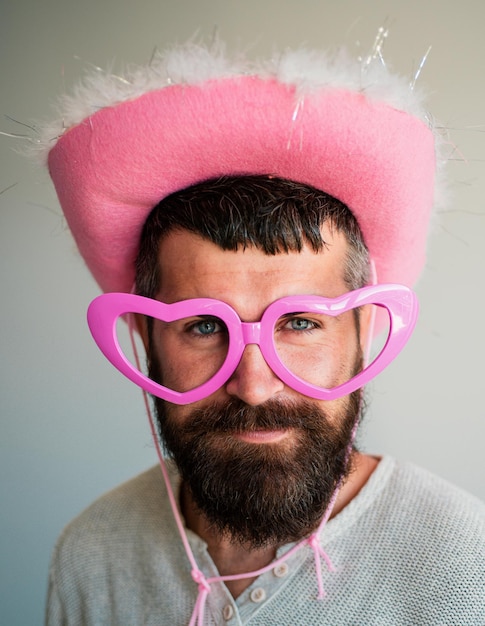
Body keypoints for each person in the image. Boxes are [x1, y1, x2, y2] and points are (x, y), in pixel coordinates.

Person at [40, 42, 484, 625]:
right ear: (146, 340)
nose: (253, 386)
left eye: (300, 323)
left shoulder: (465, 570)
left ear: (363, 335)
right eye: (203, 326)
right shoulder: (90, 553)